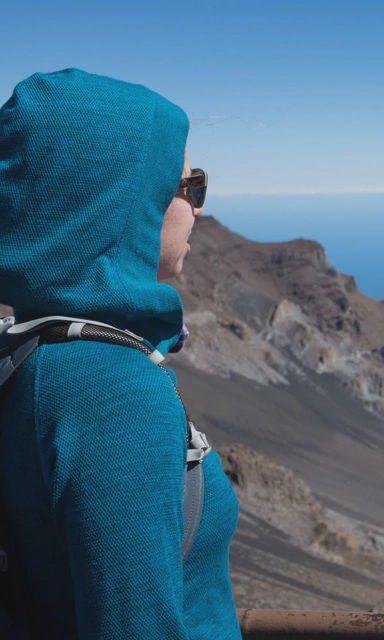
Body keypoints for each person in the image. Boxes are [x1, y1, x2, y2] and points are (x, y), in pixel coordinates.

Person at [0, 69, 241, 639]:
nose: (200, 210)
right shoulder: (112, 388)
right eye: (188, 186)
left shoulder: (29, 348)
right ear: (120, 202)